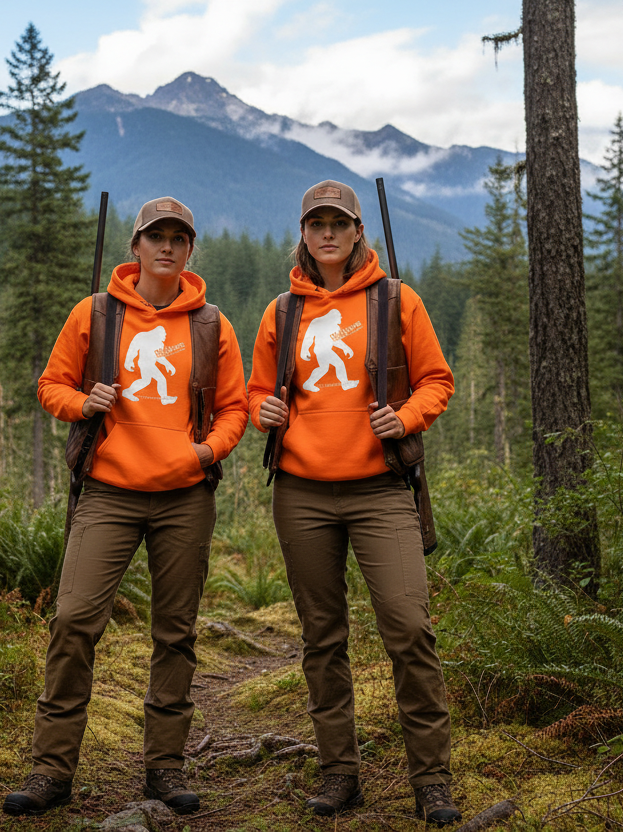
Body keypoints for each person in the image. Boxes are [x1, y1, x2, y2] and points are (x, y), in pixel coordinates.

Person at [4, 197, 248, 817]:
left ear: (189, 250)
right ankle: (51, 770)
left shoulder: (211, 325)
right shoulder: (94, 313)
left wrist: (205, 452)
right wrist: (83, 404)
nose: (166, 246)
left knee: (175, 632)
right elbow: (50, 386)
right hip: (108, 492)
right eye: (155, 236)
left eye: (178, 238)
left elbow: (235, 408)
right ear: (135, 246)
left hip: (185, 496)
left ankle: (164, 768)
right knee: (73, 621)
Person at [247, 180, 460, 825]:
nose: (328, 233)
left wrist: (408, 417)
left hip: (382, 490)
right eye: (317, 223)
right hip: (301, 492)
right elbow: (256, 393)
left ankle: (432, 779)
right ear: (303, 233)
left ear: (358, 231)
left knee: (409, 629)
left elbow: (437, 381)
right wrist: (263, 411)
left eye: (339, 223)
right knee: (322, 636)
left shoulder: (398, 300)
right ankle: (339, 773)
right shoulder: (281, 312)